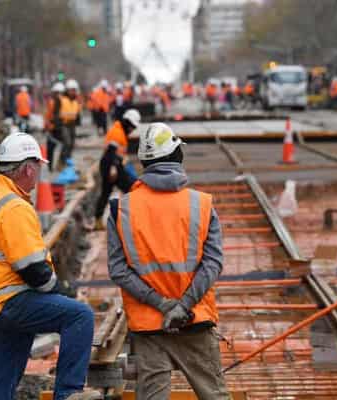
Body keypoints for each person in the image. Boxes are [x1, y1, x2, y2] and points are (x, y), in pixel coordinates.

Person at [0, 133, 101, 400]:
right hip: (11, 301)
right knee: (80, 316)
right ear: (28, 168)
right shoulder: (14, 207)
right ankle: (68, 394)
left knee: (1, 384)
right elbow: (34, 270)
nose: (38, 174)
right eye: (38, 168)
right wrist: (60, 291)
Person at [107, 122, 230, 400]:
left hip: (150, 326)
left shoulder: (121, 209)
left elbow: (118, 270)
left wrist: (162, 306)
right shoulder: (201, 204)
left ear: (144, 162)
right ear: (177, 157)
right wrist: (183, 306)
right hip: (194, 320)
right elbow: (213, 264)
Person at [94, 109, 141, 231]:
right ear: (127, 122)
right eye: (132, 127)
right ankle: (134, 218)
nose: (132, 130)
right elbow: (111, 152)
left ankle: (98, 219)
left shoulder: (119, 130)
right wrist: (113, 168)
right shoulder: (117, 132)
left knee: (106, 192)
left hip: (113, 165)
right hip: (111, 166)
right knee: (131, 189)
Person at [59, 79, 81, 167]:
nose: (73, 92)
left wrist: (78, 121)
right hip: (64, 124)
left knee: (71, 144)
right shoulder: (62, 100)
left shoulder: (76, 101)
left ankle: (68, 161)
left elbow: (77, 113)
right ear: (67, 90)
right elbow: (57, 113)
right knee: (67, 143)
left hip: (72, 125)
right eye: (71, 90)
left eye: (74, 90)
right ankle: (62, 161)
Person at [44, 82, 65, 171]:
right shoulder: (51, 102)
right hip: (53, 128)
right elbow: (48, 115)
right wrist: (46, 126)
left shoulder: (63, 102)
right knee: (51, 148)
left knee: (61, 148)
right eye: (57, 93)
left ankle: (58, 165)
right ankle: (52, 166)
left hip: (60, 128)